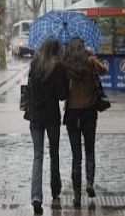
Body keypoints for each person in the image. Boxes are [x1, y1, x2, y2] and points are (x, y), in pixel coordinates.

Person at [26, 37, 68, 215]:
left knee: (38, 155)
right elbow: (62, 95)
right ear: (55, 50)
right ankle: (55, 190)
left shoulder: (34, 65)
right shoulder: (57, 67)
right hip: (51, 117)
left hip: (36, 116)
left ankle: (36, 196)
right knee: (54, 153)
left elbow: (29, 89)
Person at [63, 37, 107, 207]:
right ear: (82, 48)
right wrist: (91, 55)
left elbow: (62, 89)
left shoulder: (66, 66)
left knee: (76, 155)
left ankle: (76, 194)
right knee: (90, 149)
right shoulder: (90, 61)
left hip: (72, 114)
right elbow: (104, 70)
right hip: (89, 112)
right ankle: (89, 183)